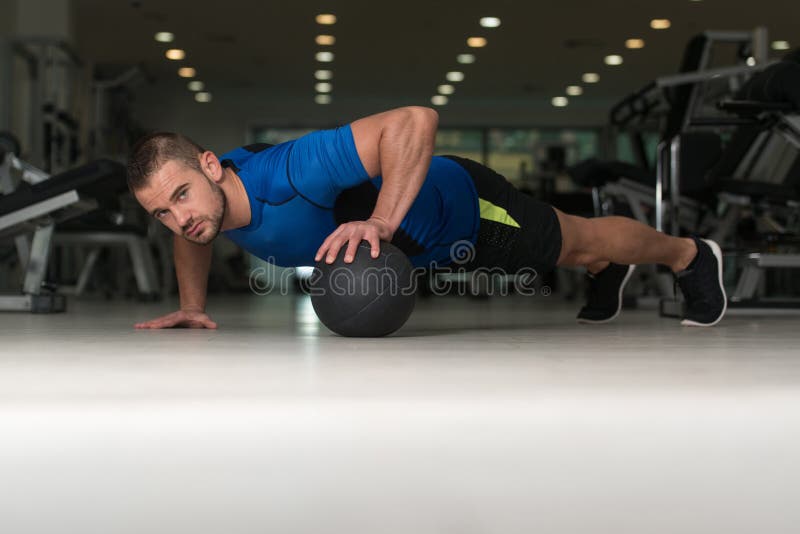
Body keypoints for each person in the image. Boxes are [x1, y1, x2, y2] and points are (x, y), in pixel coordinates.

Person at [127, 106, 726, 330]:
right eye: (162, 213)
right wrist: (193, 305)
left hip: (464, 210)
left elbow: (414, 121)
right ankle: (606, 271)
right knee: (582, 253)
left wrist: (382, 223)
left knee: (580, 240)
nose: (179, 220)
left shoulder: (288, 172)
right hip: (426, 245)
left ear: (210, 164)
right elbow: (195, 237)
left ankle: (689, 256)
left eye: (181, 195)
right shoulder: (206, 207)